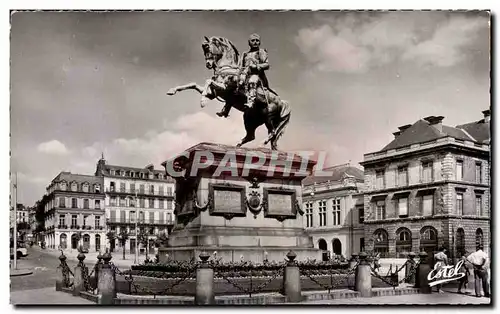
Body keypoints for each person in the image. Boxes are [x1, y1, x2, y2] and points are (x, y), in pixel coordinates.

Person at [216, 33, 272, 118]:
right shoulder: (245, 54)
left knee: (252, 80)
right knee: (232, 85)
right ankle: (226, 109)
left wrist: (256, 66)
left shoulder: (261, 52)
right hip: (244, 74)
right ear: (249, 42)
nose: (255, 42)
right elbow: (239, 66)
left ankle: (251, 101)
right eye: (253, 40)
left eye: (257, 40)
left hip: (256, 75)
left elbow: (266, 65)